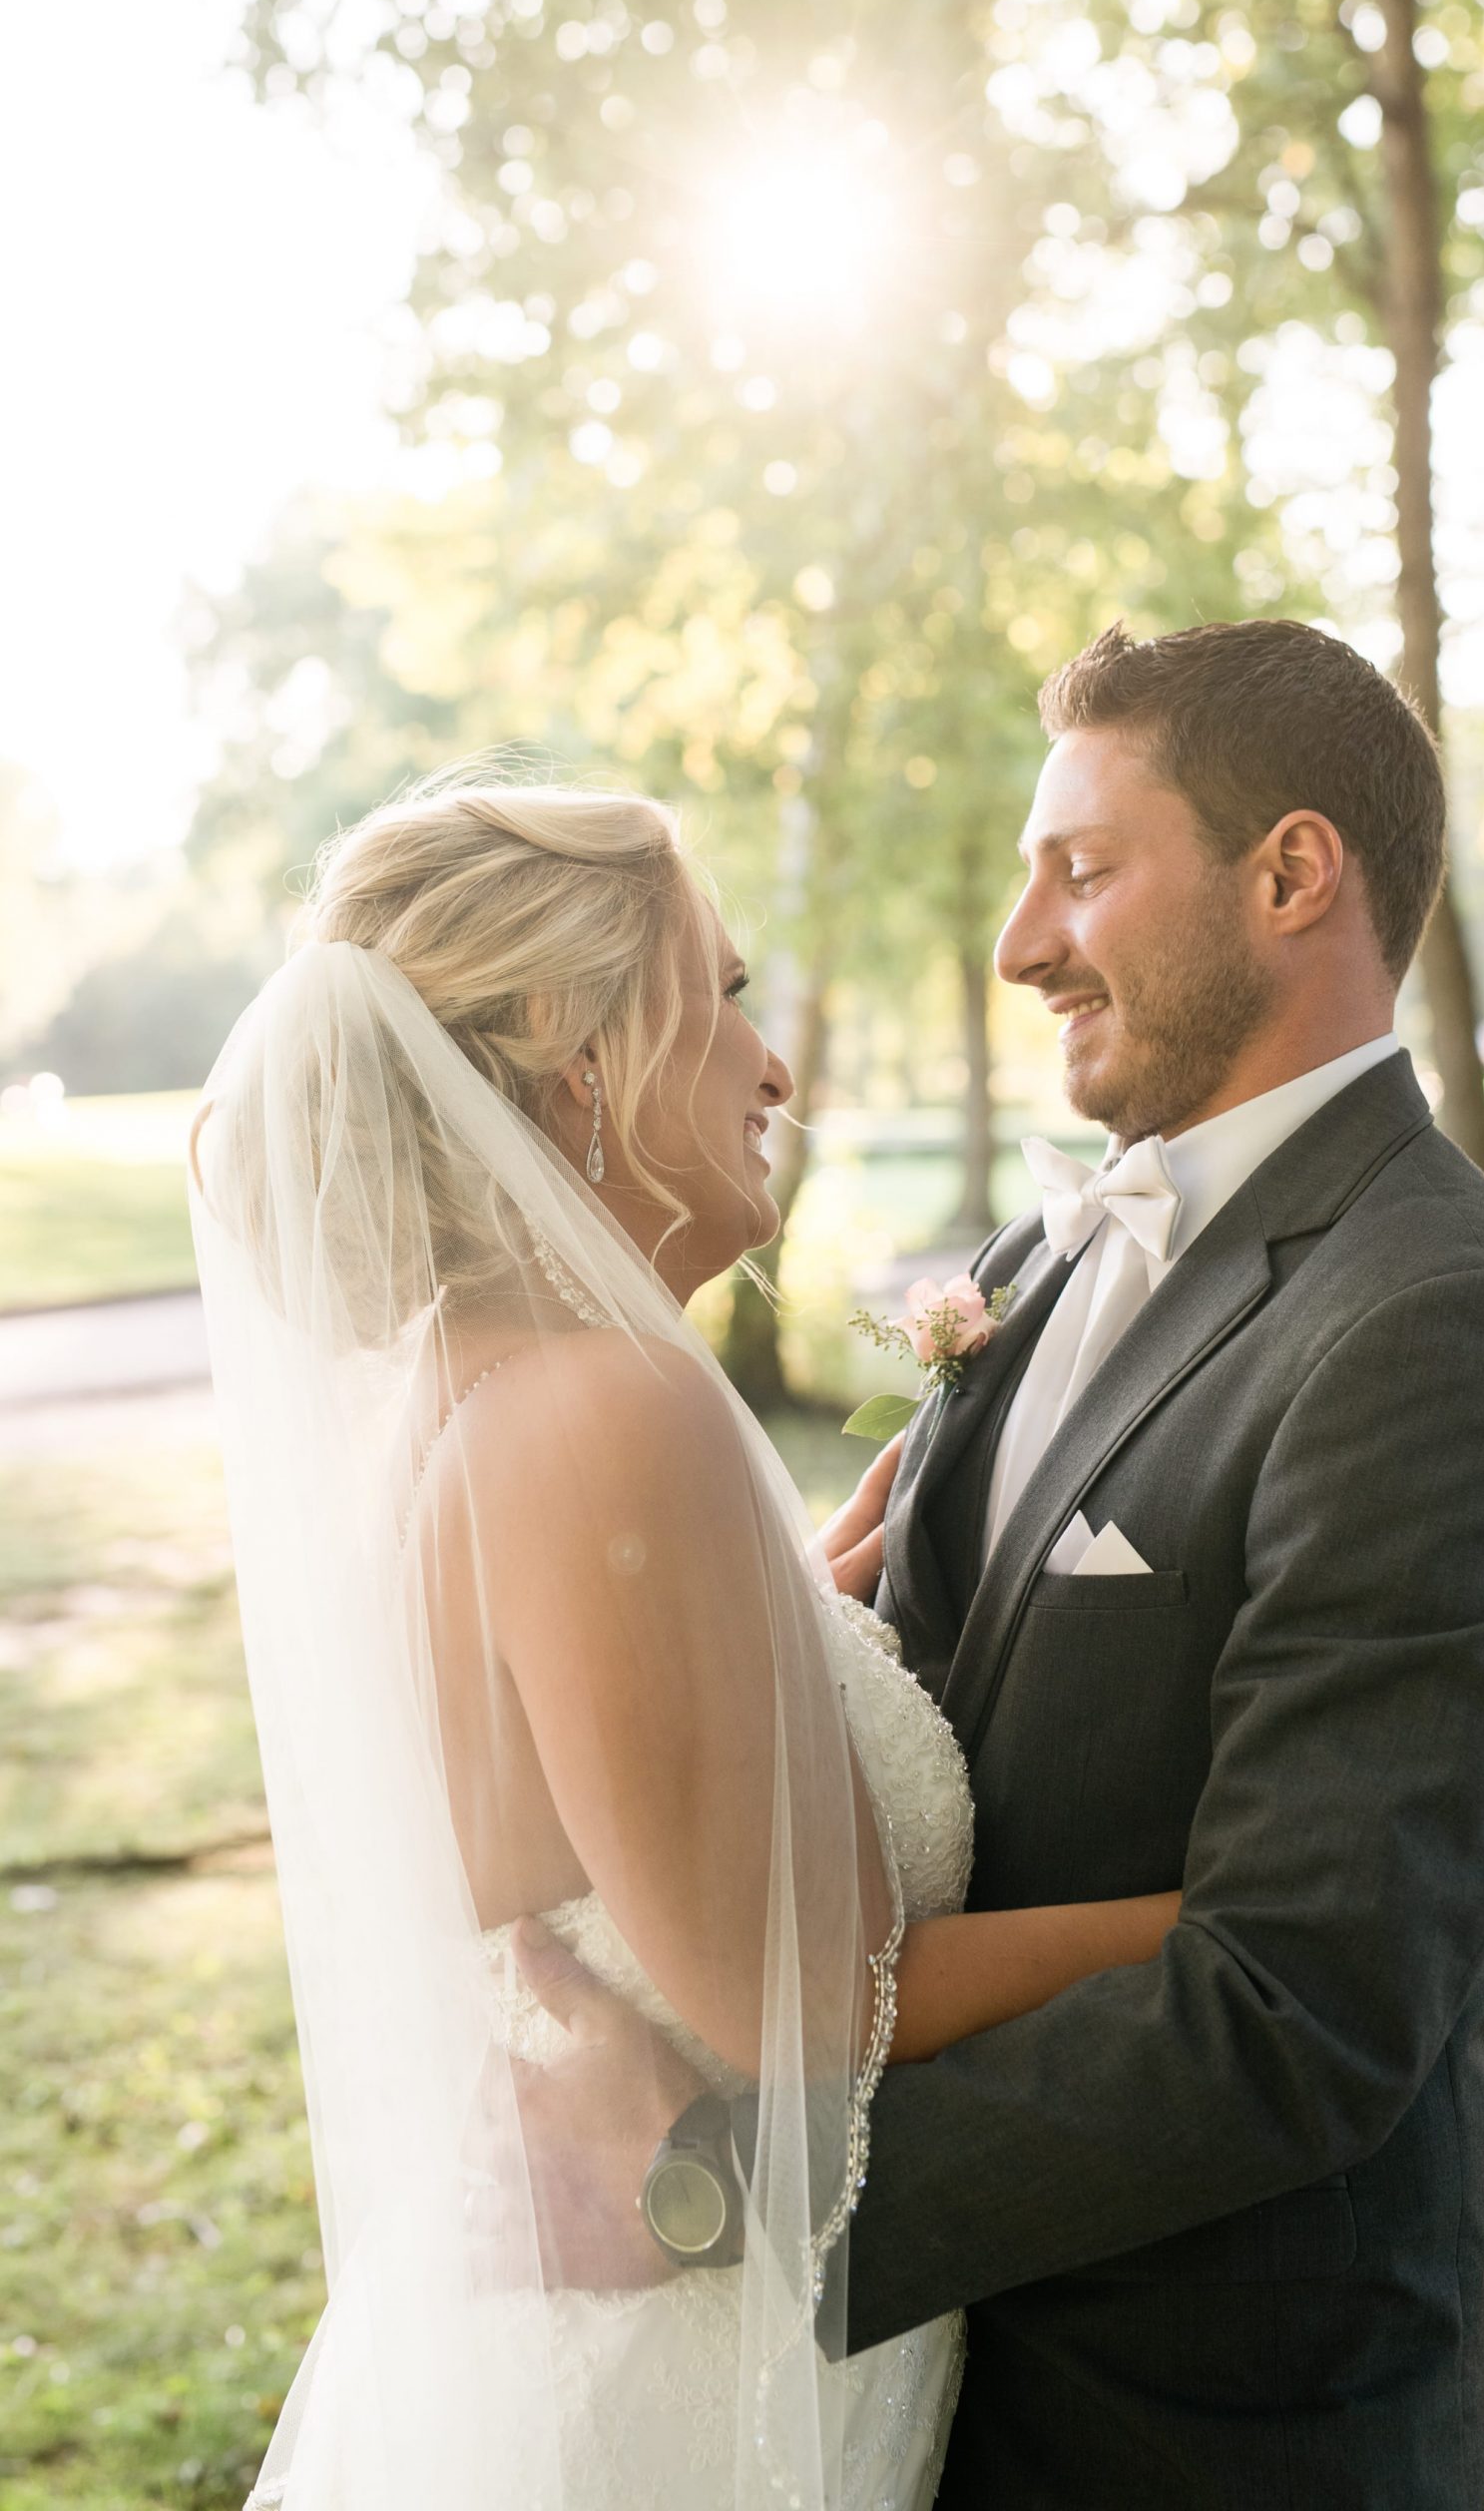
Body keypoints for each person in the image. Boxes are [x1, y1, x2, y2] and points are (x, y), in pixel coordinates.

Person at [509, 620, 1484, 2509]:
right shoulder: (1033, 1269)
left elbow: (1306, 2010)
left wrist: (712, 2178)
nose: (1024, 944)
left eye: (1083, 872)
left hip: (1189, 2427)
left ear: (1291, 874)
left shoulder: (1439, 1332)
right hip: (904, 2410)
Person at [189, 774, 1196, 2511]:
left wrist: (789, 1625)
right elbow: (813, 2004)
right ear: (579, 1061)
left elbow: (583, 1806)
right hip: (674, 2407)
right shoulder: (606, 1410)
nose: (773, 1066)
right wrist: (1240, 1925)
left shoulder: (463, 1386)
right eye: (721, 998)